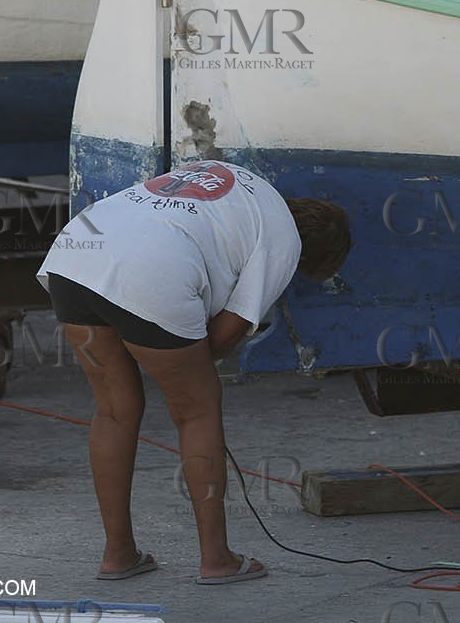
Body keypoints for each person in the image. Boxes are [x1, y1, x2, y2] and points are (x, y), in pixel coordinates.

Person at [36, 160, 351, 586]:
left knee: (114, 409)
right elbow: (229, 332)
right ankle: (217, 559)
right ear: (315, 257)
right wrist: (188, 366)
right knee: (197, 410)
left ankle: (119, 554)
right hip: (153, 267)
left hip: (77, 251)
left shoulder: (235, 177)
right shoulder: (284, 240)